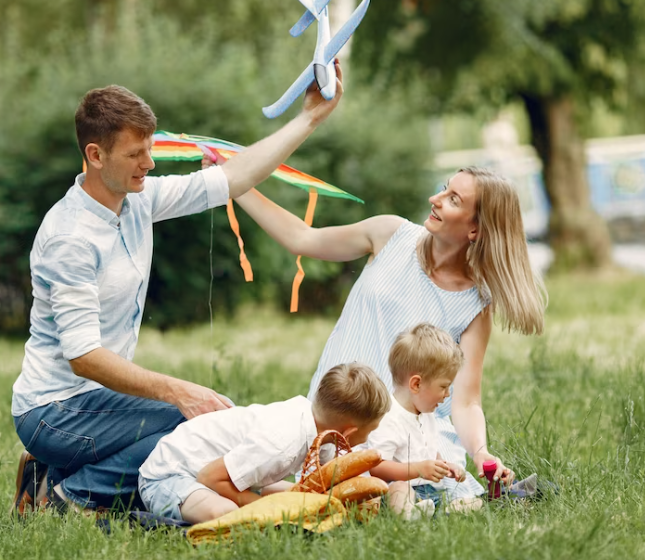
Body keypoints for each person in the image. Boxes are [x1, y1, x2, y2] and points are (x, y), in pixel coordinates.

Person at [11, 68, 345, 514]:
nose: (149, 163)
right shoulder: (69, 238)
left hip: (94, 403)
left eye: (148, 149)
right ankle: (65, 498)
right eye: (135, 154)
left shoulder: (137, 200)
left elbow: (233, 178)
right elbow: (83, 355)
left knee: (200, 430)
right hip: (54, 412)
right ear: (95, 154)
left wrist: (310, 119)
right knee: (186, 429)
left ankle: (53, 474)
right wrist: (178, 391)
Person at [216, 164, 547, 500]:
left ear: (475, 229)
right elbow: (303, 238)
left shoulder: (475, 303)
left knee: (406, 494)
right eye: (444, 188)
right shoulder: (391, 234)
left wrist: (480, 452)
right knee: (345, 492)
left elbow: (465, 400)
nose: (435, 199)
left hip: (410, 439)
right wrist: (234, 184)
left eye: (453, 199)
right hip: (342, 417)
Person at [137, 363, 391, 524]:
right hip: (172, 477)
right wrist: (267, 507)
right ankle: (167, 524)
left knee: (296, 496)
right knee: (227, 513)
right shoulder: (281, 443)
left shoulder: (321, 429)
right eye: (373, 429)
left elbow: (326, 482)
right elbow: (209, 477)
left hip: (221, 472)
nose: (370, 437)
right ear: (350, 431)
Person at [365, 323, 484, 520]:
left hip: (429, 490)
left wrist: (444, 465)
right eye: (444, 387)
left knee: (466, 495)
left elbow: (428, 449)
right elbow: (377, 467)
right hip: (400, 488)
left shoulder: (426, 412)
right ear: (416, 384)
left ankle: (439, 510)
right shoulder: (388, 416)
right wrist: (418, 469)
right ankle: (411, 512)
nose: (447, 395)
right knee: (399, 489)